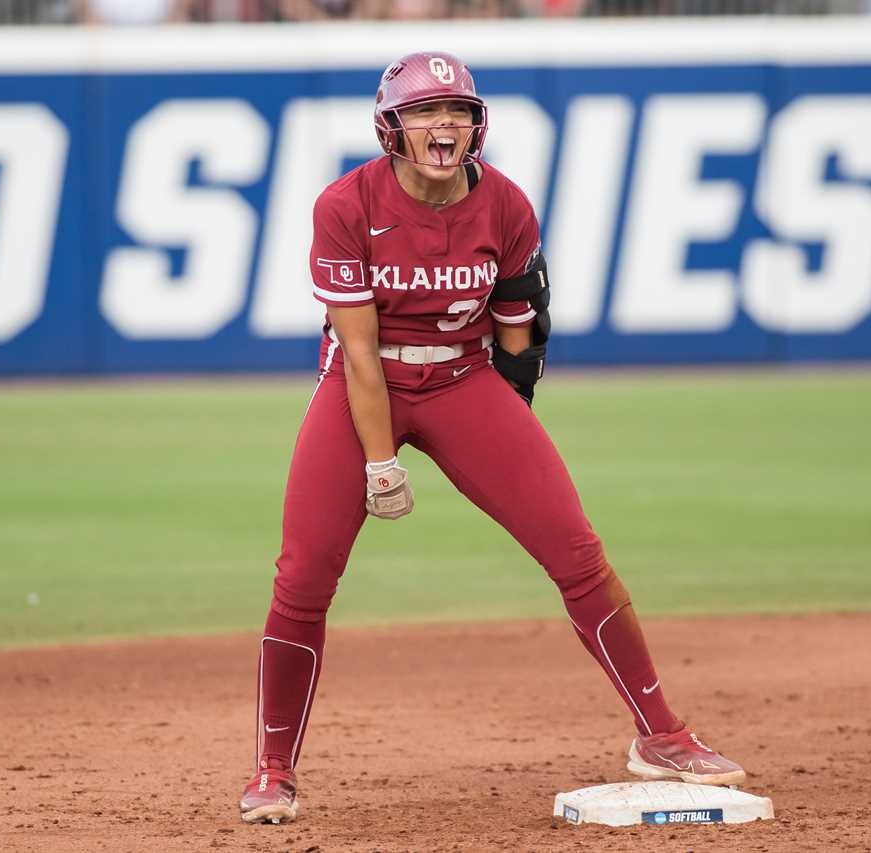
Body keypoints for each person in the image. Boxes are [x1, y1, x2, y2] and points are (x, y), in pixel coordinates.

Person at [238, 50, 746, 825]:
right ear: (391, 128)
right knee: (303, 575)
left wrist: (510, 438)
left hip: (463, 381)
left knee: (575, 549)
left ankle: (663, 735)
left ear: (478, 125)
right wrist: (380, 462)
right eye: (424, 112)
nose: (444, 125)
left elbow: (519, 339)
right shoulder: (345, 204)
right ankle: (275, 768)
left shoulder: (506, 203)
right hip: (362, 387)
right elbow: (361, 353)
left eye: (459, 111)